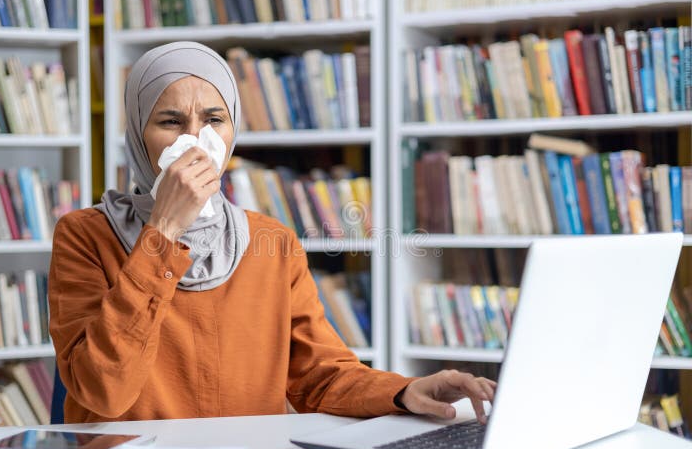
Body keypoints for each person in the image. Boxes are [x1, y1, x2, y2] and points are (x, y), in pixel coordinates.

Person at [48, 42, 495, 424]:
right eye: (170, 122)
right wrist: (163, 230)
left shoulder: (272, 243)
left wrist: (404, 391)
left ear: (233, 132)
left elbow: (320, 375)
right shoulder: (84, 236)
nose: (196, 141)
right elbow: (103, 390)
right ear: (138, 134)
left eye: (213, 121)